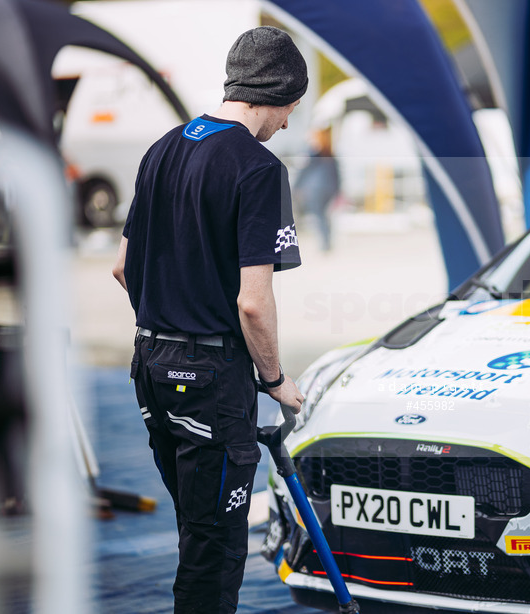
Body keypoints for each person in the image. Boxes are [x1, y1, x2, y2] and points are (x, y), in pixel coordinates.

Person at [112, 26, 307, 613]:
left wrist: (167, 327)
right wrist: (275, 380)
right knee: (215, 548)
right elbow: (254, 302)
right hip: (210, 378)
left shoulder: (163, 148)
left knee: (194, 528)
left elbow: (123, 269)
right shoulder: (257, 167)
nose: (287, 125)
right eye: (289, 110)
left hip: (151, 365)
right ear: (273, 93)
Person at [294, 127, 340, 251]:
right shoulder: (330, 153)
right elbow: (337, 175)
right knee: (324, 215)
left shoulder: (312, 154)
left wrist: (296, 187)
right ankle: (327, 240)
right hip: (329, 189)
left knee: (319, 216)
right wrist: (338, 191)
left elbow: (303, 172)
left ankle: (325, 242)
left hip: (314, 190)